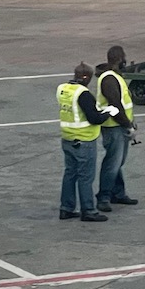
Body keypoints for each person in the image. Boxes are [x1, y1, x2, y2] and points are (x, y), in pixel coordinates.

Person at [58, 63, 118, 221]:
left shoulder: (63, 89)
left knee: (70, 173)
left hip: (67, 138)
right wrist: (108, 112)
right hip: (84, 140)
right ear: (86, 77)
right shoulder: (83, 94)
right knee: (85, 177)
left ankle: (66, 208)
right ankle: (88, 210)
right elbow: (94, 118)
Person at [94, 45, 139, 212]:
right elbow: (115, 105)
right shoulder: (109, 79)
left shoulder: (113, 77)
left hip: (119, 125)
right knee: (112, 162)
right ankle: (104, 196)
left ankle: (117, 192)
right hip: (114, 127)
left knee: (117, 161)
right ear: (120, 59)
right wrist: (127, 124)